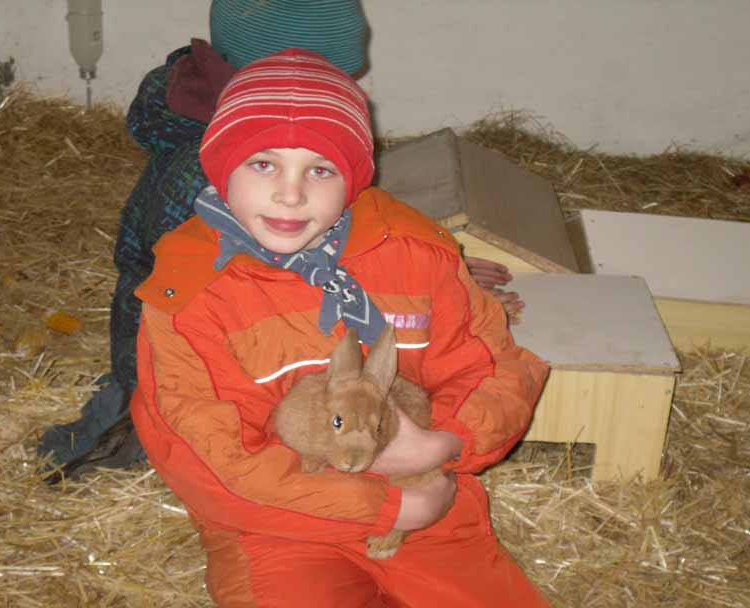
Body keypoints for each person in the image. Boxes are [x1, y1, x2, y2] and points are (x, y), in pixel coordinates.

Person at [130, 49, 595, 608]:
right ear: (220, 166)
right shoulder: (188, 294)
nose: (290, 193)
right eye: (263, 163)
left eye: (320, 169)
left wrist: (444, 444)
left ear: (353, 177)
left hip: (424, 501)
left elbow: (492, 366)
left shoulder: (415, 253)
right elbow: (211, 461)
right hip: (279, 522)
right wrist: (382, 509)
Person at [37, 0, 523, 480]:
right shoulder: (199, 179)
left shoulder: (245, 130)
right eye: (325, 74)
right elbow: (253, 292)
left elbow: (334, 218)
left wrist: (431, 273)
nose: (292, 191)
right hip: (179, 358)